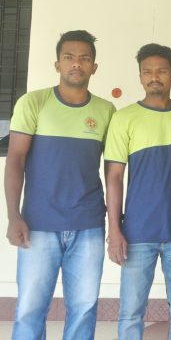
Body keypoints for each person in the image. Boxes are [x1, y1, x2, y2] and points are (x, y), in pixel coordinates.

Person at [6, 30, 116, 340]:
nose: (77, 64)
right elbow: (14, 160)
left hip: (88, 225)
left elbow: (113, 173)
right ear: (57, 64)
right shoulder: (34, 102)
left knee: (83, 308)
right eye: (69, 57)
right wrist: (14, 215)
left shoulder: (106, 111)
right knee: (30, 308)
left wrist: (114, 222)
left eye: (85, 58)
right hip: (38, 225)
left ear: (94, 67)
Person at [104, 43, 171, 340]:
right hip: (137, 232)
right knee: (131, 311)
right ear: (140, 77)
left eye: (161, 71)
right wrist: (115, 229)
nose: (154, 76)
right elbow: (114, 177)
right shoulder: (124, 118)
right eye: (147, 71)